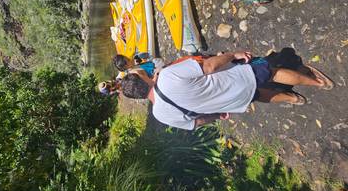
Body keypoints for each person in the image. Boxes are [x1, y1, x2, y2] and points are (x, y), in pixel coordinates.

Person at [121, 51, 334, 130]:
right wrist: (233, 54)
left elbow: (195, 122)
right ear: (142, 77)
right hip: (235, 79)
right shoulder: (166, 76)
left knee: (260, 95)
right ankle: (318, 83)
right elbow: (209, 66)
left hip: (232, 103)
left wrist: (217, 115)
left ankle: (293, 99)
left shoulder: (159, 115)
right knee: (273, 72)